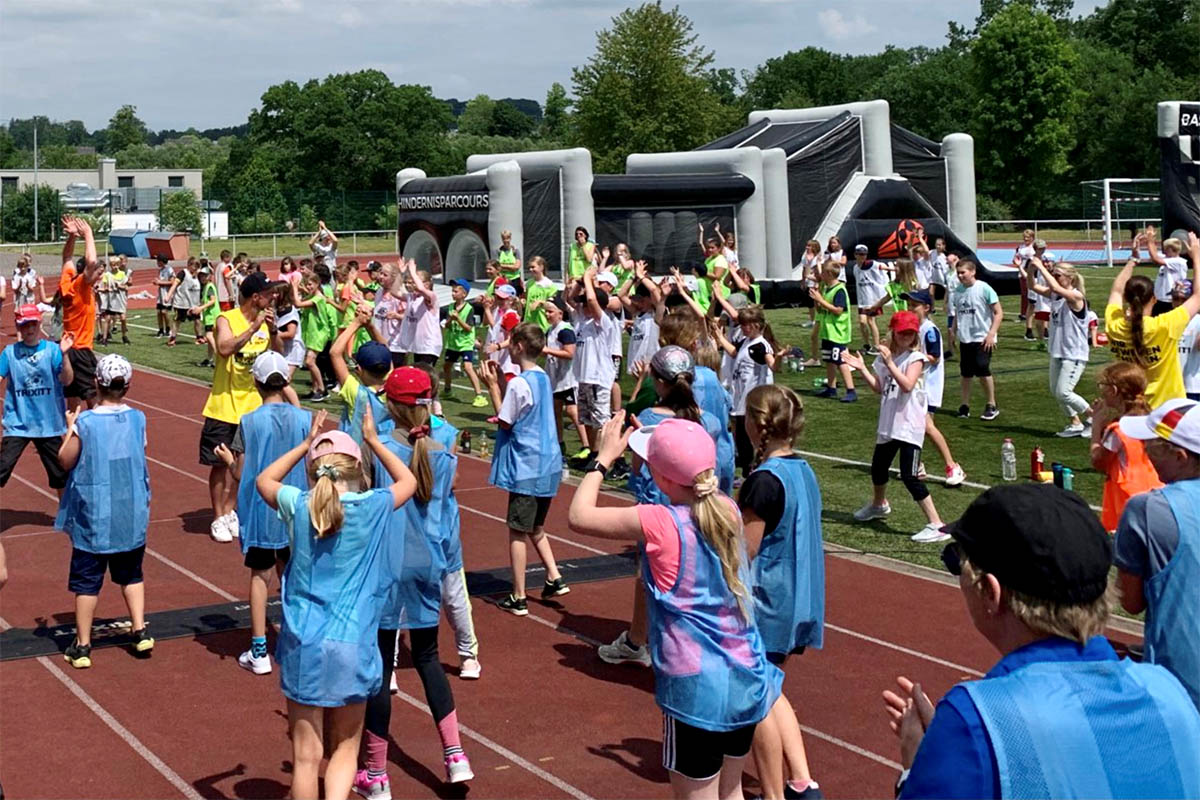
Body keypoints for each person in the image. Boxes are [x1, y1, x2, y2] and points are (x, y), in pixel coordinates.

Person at [885, 483, 1200, 799]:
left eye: (956, 561)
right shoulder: (1167, 690)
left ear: (991, 593)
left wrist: (919, 762)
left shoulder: (977, 719)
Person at [567, 414, 783, 800]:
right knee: (731, 791)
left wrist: (602, 460)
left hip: (698, 688)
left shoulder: (661, 522)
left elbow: (578, 516)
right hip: (746, 675)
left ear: (661, 479)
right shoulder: (727, 509)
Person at [256, 410, 416, 800]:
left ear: (312, 473)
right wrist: (374, 440)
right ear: (358, 470)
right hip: (354, 644)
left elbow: (264, 480)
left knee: (306, 758)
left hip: (303, 642)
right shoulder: (374, 506)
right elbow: (408, 480)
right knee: (345, 750)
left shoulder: (298, 504)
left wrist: (302, 444)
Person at [356, 368, 473, 796]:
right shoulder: (442, 452)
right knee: (427, 658)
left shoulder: (379, 449)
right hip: (428, 563)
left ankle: (376, 773)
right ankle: (455, 755)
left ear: (391, 404)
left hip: (386, 564)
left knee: (380, 667)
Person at [740, 384, 823, 800]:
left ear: (758, 426)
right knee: (773, 690)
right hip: (798, 598)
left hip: (766, 603)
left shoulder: (763, 483)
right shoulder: (804, 471)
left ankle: (772, 793)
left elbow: (745, 551)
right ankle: (803, 782)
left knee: (756, 701)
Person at [212, 351, 311, 675]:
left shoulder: (250, 421)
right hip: (296, 508)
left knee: (260, 577)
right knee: (292, 578)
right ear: (286, 381)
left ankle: (259, 651)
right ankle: (298, 643)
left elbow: (242, 474)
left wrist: (228, 459)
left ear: (255, 382)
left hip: (262, 511)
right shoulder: (303, 418)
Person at [56, 354, 153, 669]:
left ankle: (83, 645)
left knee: (87, 582)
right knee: (132, 574)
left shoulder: (86, 422)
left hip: (95, 516)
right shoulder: (139, 418)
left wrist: (70, 428)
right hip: (130, 511)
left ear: (96, 383)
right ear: (127, 386)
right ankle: (139, 630)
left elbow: (65, 459)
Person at [1113, 398, 1200, 708]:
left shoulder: (1148, 509)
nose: (1145, 450)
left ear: (1180, 456)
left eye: (1152, 444)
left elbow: (1132, 602)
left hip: (1180, 684)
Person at [481, 322, 570, 615]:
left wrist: (493, 387)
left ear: (518, 347)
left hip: (527, 464)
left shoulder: (520, 382)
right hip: (549, 461)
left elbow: (506, 419)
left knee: (518, 530)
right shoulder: (541, 377)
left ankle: (518, 595)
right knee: (536, 526)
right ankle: (554, 576)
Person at [843, 311, 947, 543]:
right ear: (894, 332)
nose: (906, 337)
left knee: (910, 476)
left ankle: (937, 523)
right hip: (890, 421)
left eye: (910, 333)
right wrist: (862, 369)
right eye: (902, 333)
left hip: (909, 423)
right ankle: (879, 504)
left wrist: (890, 362)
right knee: (878, 468)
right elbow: (879, 387)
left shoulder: (916, 358)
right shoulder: (885, 357)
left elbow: (908, 385)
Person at [199, 272, 284, 544]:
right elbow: (224, 348)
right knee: (220, 466)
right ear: (255, 297)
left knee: (244, 465)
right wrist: (252, 328)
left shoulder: (266, 321)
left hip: (252, 407)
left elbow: (278, 355)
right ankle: (218, 516)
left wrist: (271, 330)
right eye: (268, 293)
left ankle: (230, 510)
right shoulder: (227, 319)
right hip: (223, 405)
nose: (273, 297)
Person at [1106, 231, 1200, 408]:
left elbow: (1115, 291)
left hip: (1132, 407)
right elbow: (1198, 296)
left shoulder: (1115, 326)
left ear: (1127, 299)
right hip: (1167, 408)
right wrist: (1196, 257)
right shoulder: (1164, 325)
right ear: (1154, 299)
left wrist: (1133, 260)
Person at [0, 304, 74, 496]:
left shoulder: (53, 350)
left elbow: (67, 380)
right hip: (18, 423)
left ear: (39, 324)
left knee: (60, 474)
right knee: (2, 467)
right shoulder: (9, 353)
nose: (30, 329)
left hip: (48, 424)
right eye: (25, 325)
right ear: (18, 327)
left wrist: (65, 355)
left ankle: (65, 513)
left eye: (33, 324)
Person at [901, 290, 965, 486]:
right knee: (911, 426)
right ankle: (917, 465)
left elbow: (934, 356)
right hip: (915, 386)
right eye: (909, 305)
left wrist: (913, 356)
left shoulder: (929, 330)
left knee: (927, 427)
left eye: (914, 306)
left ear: (926, 308)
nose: (910, 309)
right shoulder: (913, 329)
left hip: (927, 388)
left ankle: (952, 466)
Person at [1089, 362, 1162, 532]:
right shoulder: (1152, 418)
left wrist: (1096, 425)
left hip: (1129, 501)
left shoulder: (1118, 430)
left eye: (1103, 386)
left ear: (1114, 390)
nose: (1101, 390)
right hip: (1158, 492)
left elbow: (1098, 461)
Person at [712, 304, 776, 479]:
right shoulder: (747, 342)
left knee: (749, 439)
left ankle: (751, 473)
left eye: (745, 325)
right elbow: (734, 352)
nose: (742, 328)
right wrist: (719, 336)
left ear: (756, 325)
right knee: (741, 439)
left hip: (752, 400)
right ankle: (748, 471)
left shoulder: (761, 346)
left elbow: (772, 364)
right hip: (741, 398)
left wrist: (780, 359)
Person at [568, 268, 618, 466]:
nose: (582, 307)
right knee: (587, 419)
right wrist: (580, 282)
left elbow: (591, 301)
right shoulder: (583, 322)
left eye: (587, 305)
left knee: (600, 420)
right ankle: (593, 451)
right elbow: (572, 299)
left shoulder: (604, 322)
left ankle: (604, 457)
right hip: (584, 378)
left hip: (598, 378)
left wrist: (589, 280)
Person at [57, 216, 102, 412]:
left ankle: (71, 435)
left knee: (72, 401)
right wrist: (88, 234)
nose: (99, 276)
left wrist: (72, 237)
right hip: (81, 350)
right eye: (98, 273)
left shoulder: (67, 282)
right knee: (93, 400)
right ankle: (98, 436)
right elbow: (91, 261)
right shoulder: (80, 286)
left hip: (67, 350)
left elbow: (66, 257)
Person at [949, 260, 1003, 420]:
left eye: (963, 272)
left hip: (982, 337)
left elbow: (998, 313)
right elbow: (958, 313)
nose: (960, 276)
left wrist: (991, 334)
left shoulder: (984, 288)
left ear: (972, 272)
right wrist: (953, 330)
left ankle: (991, 404)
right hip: (965, 338)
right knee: (966, 373)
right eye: (958, 273)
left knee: (982, 368)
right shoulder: (957, 291)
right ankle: (964, 405)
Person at [542, 296, 589, 465]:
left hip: (568, 378)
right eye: (546, 311)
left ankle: (586, 445)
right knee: (555, 411)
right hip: (555, 378)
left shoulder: (565, 330)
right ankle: (559, 444)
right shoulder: (550, 331)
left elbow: (569, 353)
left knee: (572, 411)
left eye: (550, 311)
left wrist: (547, 350)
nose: (547, 315)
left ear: (560, 313)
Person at [810, 261, 857, 402]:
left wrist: (820, 300)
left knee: (840, 361)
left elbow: (838, 310)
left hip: (838, 332)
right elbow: (821, 310)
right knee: (829, 360)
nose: (820, 275)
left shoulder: (839, 290)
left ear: (829, 274)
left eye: (823, 273)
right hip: (828, 332)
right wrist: (816, 300)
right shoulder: (827, 289)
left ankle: (851, 390)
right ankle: (831, 388)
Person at [442, 278, 487, 406]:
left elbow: (468, 328)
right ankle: (447, 390)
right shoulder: (450, 307)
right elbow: (447, 326)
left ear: (464, 294)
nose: (453, 294)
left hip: (465, 343)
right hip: (453, 343)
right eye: (452, 291)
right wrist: (450, 320)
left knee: (468, 367)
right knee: (446, 366)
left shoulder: (469, 309)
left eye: (455, 291)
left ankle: (479, 395)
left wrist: (458, 319)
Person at [398, 258, 441, 367]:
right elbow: (394, 291)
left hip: (429, 346)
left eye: (416, 280)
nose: (412, 283)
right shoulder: (412, 297)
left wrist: (412, 271)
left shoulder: (431, 296)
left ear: (427, 284)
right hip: (418, 345)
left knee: (426, 377)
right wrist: (401, 274)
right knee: (419, 377)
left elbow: (421, 289)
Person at [851, 244, 891, 353]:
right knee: (862, 322)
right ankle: (867, 344)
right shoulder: (855, 268)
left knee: (870, 321)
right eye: (860, 254)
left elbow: (882, 267)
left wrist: (894, 269)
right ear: (855, 255)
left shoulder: (871, 264)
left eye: (864, 254)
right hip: (862, 300)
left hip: (872, 300)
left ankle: (877, 346)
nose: (862, 256)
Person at [1147, 226, 1190, 315]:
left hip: (1170, 300)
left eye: (1166, 248)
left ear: (1171, 249)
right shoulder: (1168, 259)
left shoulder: (1178, 262)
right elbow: (1154, 254)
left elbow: (1155, 259)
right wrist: (1152, 239)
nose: (1164, 250)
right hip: (1160, 299)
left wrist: (1150, 241)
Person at [166, 258, 203, 348]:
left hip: (194, 304)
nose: (195, 268)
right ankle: (172, 338)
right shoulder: (183, 273)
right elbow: (175, 284)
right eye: (194, 266)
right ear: (189, 265)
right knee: (178, 321)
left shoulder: (197, 276)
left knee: (197, 320)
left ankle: (199, 337)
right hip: (182, 303)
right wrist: (168, 296)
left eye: (197, 267)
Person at [523, 255, 557, 332]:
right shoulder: (529, 283)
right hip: (529, 321)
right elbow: (527, 299)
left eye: (533, 267)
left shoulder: (549, 285)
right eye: (529, 268)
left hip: (543, 322)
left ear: (541, 267)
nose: (531, 270)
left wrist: (540, 302)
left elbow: (552, 305)